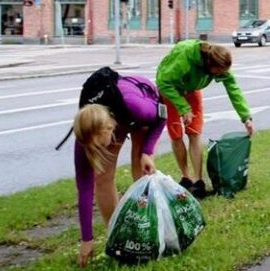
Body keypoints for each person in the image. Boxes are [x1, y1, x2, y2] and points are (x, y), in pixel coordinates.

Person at [73, 74, 165, 267]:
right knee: (102, 178)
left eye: (100, 145)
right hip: (115, 113)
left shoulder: (137, 108)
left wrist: (148, 152)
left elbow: (161, 116)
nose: (99, 150)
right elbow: (85, 188)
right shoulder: (85, 133)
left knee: (140, 168)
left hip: (142, 99)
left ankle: (146, 233)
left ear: (109, 129)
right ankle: (118, 239)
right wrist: (86, 239)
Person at [156, 40, 254, 199]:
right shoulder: (185, 58)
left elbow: (233, 88)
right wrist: (183, 107)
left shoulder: (220, 65)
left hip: (192, 89)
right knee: (176, 133)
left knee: (194, 132)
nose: (220, 75)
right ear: (209, 63)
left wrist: (246, 117)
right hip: (171, 89)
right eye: (218, 72)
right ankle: (186, 177)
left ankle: (198, 180)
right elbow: (163, 81)